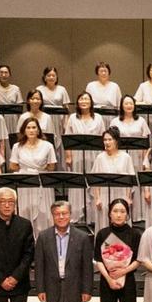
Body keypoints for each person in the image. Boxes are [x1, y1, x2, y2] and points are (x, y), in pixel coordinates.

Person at [9, 117, 57, 236]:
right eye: (28, 127)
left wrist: (39, 169)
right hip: (25, 182)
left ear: (38, 130)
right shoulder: (17, 146)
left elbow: (52, 166)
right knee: (25, 211)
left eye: (34, 127)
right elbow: (13, 166)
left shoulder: (47, 145)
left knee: (44, 213)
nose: (31, 130)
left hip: (42, 181)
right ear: (24, 130)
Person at [64, 91, 106, 221]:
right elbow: (67, 138)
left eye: (86, 99)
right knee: (78, 183)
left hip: (95, 155)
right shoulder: (72, 118)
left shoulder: (98, 117)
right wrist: (68, 156)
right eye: (81, 99)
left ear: (91, 102)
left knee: (94, 182)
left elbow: (104, 138)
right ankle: (78, 215)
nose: (84, 101)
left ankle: (93, 217)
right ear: (77, 102)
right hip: (77, 156)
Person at [109, 95, 150, 221]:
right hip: (120, 158)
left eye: (131, 103)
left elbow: (146, 141)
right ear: (121, 105)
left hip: (137, 156)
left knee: (136, 182)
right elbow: (110, 139)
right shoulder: (115, 121)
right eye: (126, 103)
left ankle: (136, 214)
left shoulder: (141, 121)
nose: (128, 106)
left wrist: (145, 159)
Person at [90, 127, 137, 233]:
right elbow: (96, 180)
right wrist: (97, 198)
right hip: (104, 196)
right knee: (105, 224)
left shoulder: (126, 157)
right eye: (105, 140)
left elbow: (130, 180)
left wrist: (128, 198)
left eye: (110, 139)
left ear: (116, 141)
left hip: (121, 195)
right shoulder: (100, 157)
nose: (107, 142)